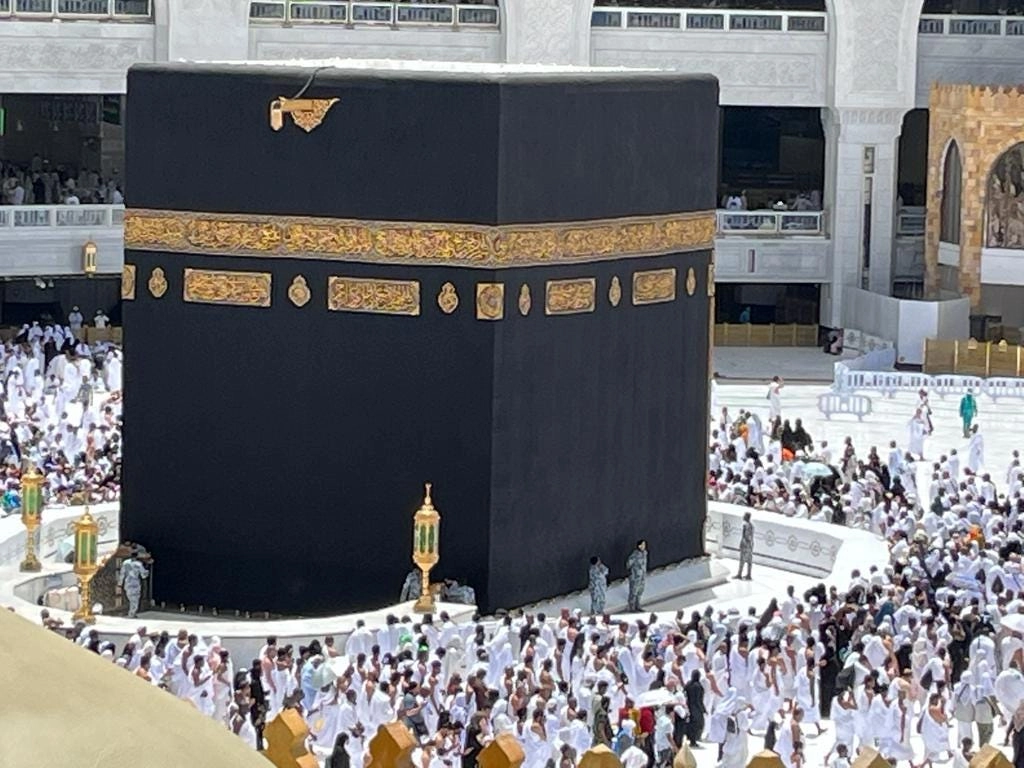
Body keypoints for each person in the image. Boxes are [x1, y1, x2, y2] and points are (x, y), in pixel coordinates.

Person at [120, 549, 149, 619]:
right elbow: (143, 575)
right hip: (135, 583)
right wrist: (146, 572)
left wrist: (120, 583)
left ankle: (131, 612)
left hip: (127, 583)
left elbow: (122, 574)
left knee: (130, 599)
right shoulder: (139, 564)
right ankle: (132, 613)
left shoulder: (125, 563)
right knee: (135, 600)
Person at [625, 541, 647, 612]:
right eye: (642, 545)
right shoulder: (635, 555)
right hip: (635, 576)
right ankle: (631, 607)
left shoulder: (645, 553)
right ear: (639, 546)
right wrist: (633, 571)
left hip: (642, 576)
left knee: (640, 591)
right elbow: (628, 564)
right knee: (633, 591)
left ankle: (638, 605)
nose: (644, 546)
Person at [736, 512, 754, 580]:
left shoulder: (745, 525)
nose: (743, 516)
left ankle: (739, 574)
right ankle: (749, 574)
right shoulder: (752, 525)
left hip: (745, 544)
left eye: (744, 516)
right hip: (750, 544)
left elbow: (744, 536)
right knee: (749, 560)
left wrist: (742, 544)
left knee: (742, 559)